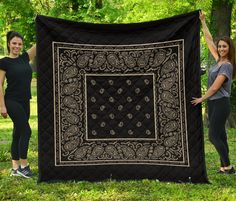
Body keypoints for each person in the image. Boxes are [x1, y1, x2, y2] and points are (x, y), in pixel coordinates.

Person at [191, 11, 236, 174]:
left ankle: (228, 167)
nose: (221, 48)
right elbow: (209, 40)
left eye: (224, 46)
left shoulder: (227, 65)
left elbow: (216, 87)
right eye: (220, 46)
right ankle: (225, 166)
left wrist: (202, 98)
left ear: (229, 48)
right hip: (214, 102)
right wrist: (203, 21)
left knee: (213, 136)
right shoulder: (219, 60)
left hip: (221, 102)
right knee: (221, 136)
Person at [0, 31, 36, 178]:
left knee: (18, 133)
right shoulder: (4, 62)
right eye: (14, 43)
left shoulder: (24, 57)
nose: (17, 46)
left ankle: (15, 168)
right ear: (9, 43)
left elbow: (39, 44)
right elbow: (0, 84)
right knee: (27, 131)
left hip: (25, 100)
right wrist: (2, 106)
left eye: (20, 44)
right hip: (12, 101)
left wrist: (45, 25)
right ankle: (24, 166)